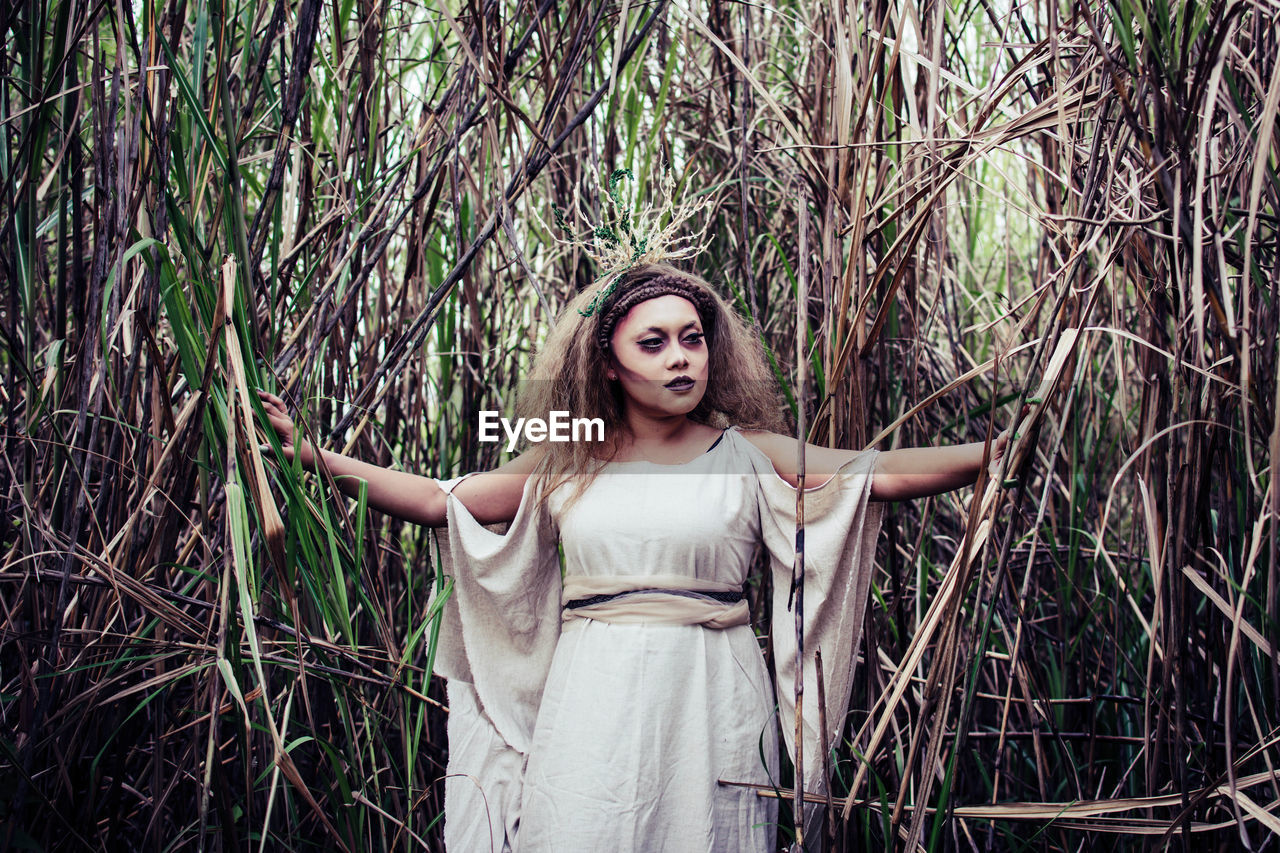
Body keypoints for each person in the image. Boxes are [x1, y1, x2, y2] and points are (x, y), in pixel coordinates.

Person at [258, 262, 1009, 852]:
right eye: (653, 342)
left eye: (692, 337)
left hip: (714, 691)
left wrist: (995, 452)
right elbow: (436, 498)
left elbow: (879, 473)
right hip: (594, 693)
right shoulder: (568, 460)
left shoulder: (747, 454)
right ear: (609, 363)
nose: (680, 357)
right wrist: (313, 457)